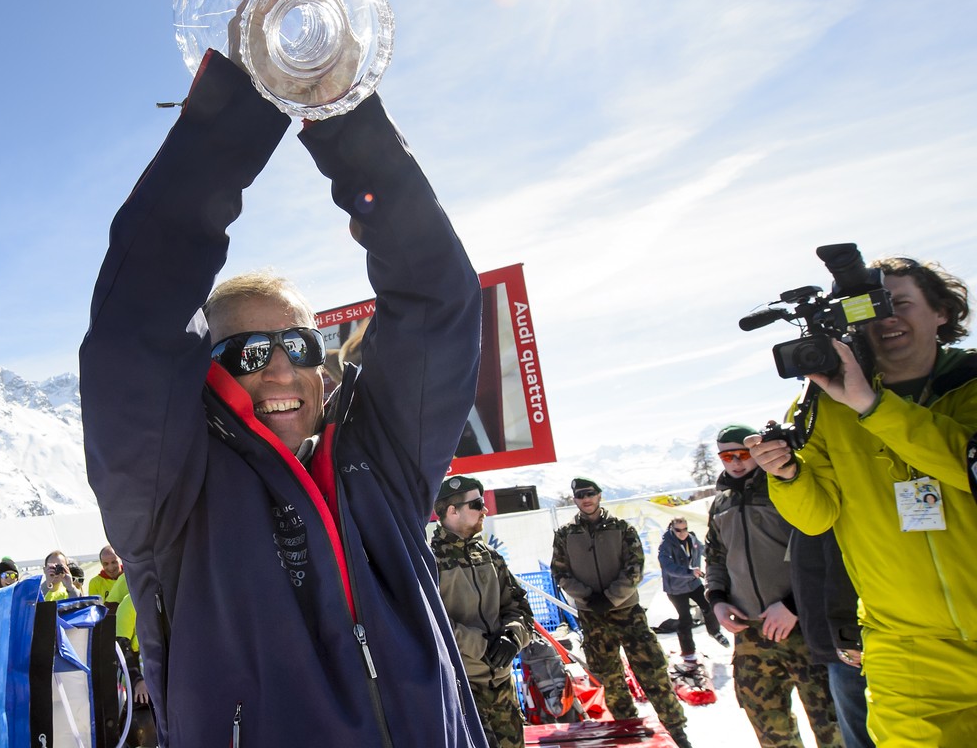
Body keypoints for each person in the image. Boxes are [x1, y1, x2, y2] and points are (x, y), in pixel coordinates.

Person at [80, 47, 487, 746]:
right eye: (245, 352)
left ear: (321, 363)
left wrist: (344, 120)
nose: (277, 372)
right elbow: (133, 331)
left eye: (297, 346)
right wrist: (241, 108)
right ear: (206, 371)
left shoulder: (383, 459)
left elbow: (436, 302)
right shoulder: (170, 497)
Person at [749, 257, 977, 747]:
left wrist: (873, 408)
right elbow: (817, 518)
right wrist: (785, 476)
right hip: (906, 649)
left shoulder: (973, 382)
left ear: (941, 312)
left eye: (899, 303)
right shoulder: (823, 404)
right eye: (869, 311)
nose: (886, 319)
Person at [706, 425, 840, 748]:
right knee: (771, 730)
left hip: (805, 627)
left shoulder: (784, 487)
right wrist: (718, 599)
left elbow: (823, 548)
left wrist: (794, 606)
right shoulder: (720, 504)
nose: (736, 462)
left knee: (833, 725)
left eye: (743, 454)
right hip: (752, 633)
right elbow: (715, 555)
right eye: (727, 456)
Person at [550, 478, 691, 748]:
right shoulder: (565, 534)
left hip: (628, 614)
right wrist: (589, 597)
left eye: (590, 493)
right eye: (580, 495)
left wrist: (611, 598)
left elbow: (634, 567)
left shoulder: (621, 528)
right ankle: (630, 733)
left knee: (653, 673)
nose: (585, 499)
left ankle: (677, 732)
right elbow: (560, 573)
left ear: (599, 495)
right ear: (575, 500)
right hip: (592, 617)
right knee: (610, 681)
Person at [432, 475, 534, 748]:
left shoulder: (490, 556)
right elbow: (431, 624)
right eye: (477, 504)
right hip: (461, 689)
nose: (485, 510)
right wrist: (480, 646)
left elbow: (519, 607)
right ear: (452, 511)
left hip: (502, 686)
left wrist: (513, 637)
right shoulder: (428, 562)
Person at [790, 528, 872, 748]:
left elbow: (845, 567)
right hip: (839, 644)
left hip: (857, 644)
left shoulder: (832, 503)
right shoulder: (803, 513)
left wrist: (848, 636)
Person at [657, 516, 725, 664]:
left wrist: (719, 558)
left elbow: (704, 550)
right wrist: (688, 572)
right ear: (672, 529)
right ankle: (688, 651)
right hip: (676, 588)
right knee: (685, 618)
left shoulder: (692, 538)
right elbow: (667, 567)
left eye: (685, 529)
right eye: (678, 530)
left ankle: (714, 631)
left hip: (693, 583)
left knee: (709, 605)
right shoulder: (666, 545)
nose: (682, 533)